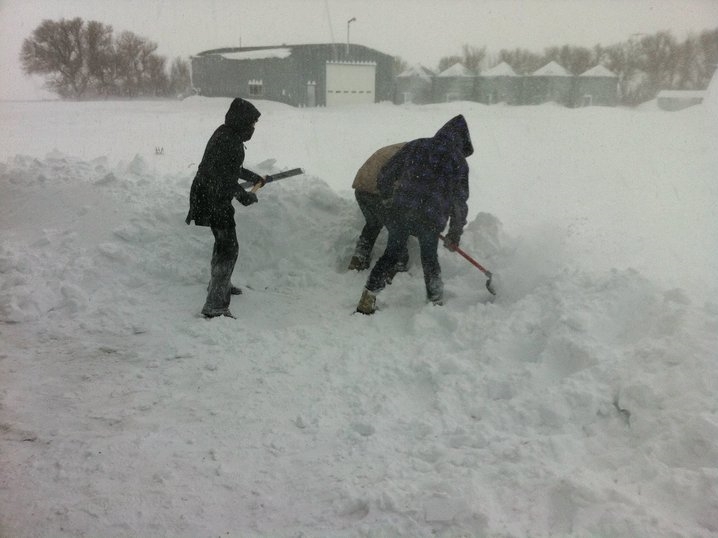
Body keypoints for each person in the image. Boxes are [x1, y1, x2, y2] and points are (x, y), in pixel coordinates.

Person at [356, 114, 473, 315]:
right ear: (461, 140)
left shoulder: (417, 145)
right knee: (429, 259)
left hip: (401, 211)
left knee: (390, 255)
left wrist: (387, 198)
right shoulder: (459, 162)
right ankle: (435, 302)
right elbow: (459, 203)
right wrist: (454, 233)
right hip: (431, 218)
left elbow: (386, 171)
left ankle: (368, 298)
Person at [185, 98, 265, 319]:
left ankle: (219, 285)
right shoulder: (228, 140)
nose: (252, 129)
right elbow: (223, 177)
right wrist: (243, 196)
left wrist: (253, 177)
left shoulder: (227, 134)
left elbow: (231, 168)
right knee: (229, 247)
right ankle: (215, 304)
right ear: (241, 122)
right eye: (251, 124)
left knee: (223, 243)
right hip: (212, 196)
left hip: (211, 192)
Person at [348, 142, 409, 272]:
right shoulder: (417, 158)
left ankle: (359, 258)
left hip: (361, 189)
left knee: (373, 224)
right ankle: (396, 265)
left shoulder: (401, 149)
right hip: (379, 193)